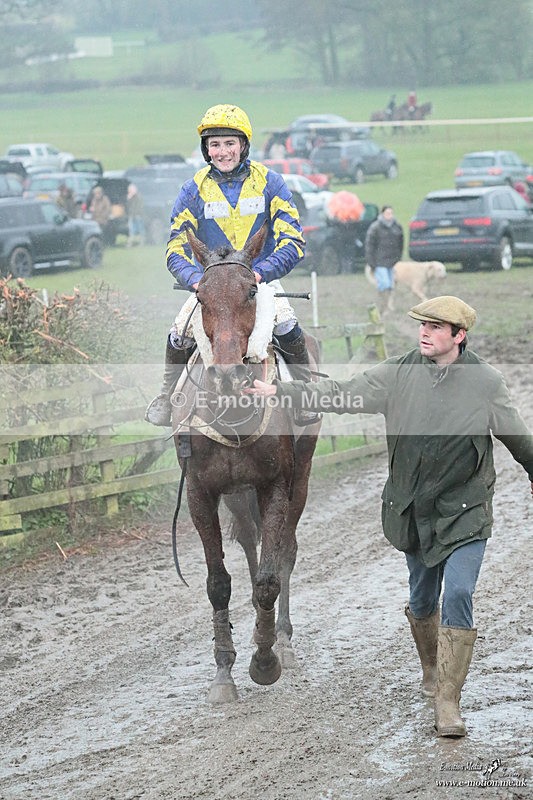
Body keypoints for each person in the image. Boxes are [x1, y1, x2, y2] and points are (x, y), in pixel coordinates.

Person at [245, 295, 533, 738]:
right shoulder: (398, 373)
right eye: (422, 325)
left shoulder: (485, 382)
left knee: (457, 594)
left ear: (459, 336)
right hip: (413, 510)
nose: (424, 333)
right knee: (422, 601)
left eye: (436, 327)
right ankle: (432, 670)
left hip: (465, 510)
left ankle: (448, 702)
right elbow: (341, 393)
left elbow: (517, 436)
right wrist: (281, 390)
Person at [145, 103, 319, 428]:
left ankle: (305, 396)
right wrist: (196, 280)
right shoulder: (192, 190)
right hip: (210, 286)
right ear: (206, 150)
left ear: (243, 145)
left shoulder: (271, 182)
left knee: (287, 327)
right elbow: (175, 249)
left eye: (229, 143)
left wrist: (261, 272)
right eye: (214, 144)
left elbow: (293, 241)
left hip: (259, 281)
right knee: (177, 337)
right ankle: (166, 397)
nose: (222, 152)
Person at [365, 205, 404, 316]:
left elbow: (400, 243)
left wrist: (398, 257)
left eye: (391, 213)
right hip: (379, 261)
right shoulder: (375, 227)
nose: (389, 216)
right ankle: (382, 306)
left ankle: (388, 306)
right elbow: (369, 245)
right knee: (384, 284)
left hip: (392, 261)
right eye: (387, 213)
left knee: (391, 285)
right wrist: (371, 261)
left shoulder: (397, 227)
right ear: (382, 214)